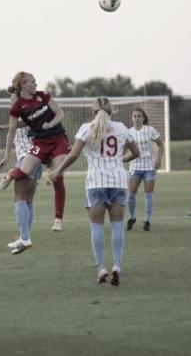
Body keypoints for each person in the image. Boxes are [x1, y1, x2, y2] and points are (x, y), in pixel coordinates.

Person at [50, 97, 139, 286]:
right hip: (118, 181)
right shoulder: (122, 128)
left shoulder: (86, 128)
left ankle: (101, 268)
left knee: (97, 227)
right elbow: (136, 153)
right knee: (116, 226)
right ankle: (116, 265)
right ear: (112, 111)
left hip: (96, 182)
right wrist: (118, 161)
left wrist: (58, 170)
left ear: (93, 112)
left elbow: (73, 154)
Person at [0, 71, 71, 239]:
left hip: (58, 139)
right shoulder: (18, 106)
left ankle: (58, 219)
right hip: (40, 143)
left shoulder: (42, 96)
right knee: (22, 173)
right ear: (23, 84)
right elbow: (12, 130)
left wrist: (50, 124)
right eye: (32, 81)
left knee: (57, 177)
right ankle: (11, 173)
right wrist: (6, 156)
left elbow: (60, 113)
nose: (36, 84)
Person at [0, 92, 43, 254]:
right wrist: (6, 127)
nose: (11, 103)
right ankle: (24, 236)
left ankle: (25, 239)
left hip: (27, 157)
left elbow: (18, 125)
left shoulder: (24, 111)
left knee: (19, 198)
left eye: (12, 99)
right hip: (37, 157)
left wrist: (6, 155)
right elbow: (18, 127)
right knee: (28, 200)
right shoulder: (35, 110)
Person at [126, 108, 164, 231]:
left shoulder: (150, 130)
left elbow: (161, 144)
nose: (137, 118)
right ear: (132, 118)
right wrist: (120, 159)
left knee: (148, 194)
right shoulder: (128, 132)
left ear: (143, 118)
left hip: (149, 167)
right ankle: (132, 217)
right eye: (134, 116)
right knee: (130, 195)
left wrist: (158, 159)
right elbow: (127, 151)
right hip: (135, 167)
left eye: (139, 116)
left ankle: (147, 220)